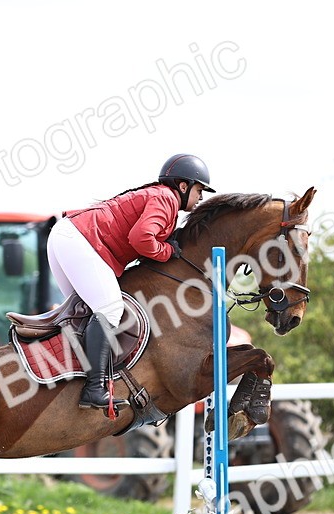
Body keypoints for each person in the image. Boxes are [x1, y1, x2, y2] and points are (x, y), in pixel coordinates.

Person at [49, 153, 214, 411]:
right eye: (199, 190)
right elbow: (141, 238)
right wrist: (168, 251)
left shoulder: (159, 195)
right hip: (78, 241)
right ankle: (94, 389)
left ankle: (71, 378)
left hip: (66, 237)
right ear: (184, 186)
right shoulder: (167, 198)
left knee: (84, 313)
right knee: (110, 310)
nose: (201, 197)